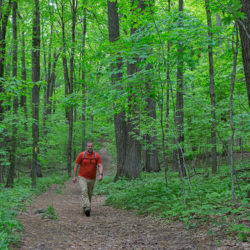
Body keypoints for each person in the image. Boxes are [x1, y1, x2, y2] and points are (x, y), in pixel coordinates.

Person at [72, 141, 103, 217]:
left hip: (92, 178)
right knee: (84, 190)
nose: (90, 147)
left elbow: (100, 165)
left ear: (93, 146)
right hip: (82, 177)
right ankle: (88, 207)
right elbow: (76, 165)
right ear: (86, 147)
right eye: (89, 146)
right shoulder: (82, 155)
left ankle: (85, 207)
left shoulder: (96, 155)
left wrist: (100, 174)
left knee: (89, 193)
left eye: (91, 146)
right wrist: (74, 176)